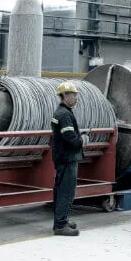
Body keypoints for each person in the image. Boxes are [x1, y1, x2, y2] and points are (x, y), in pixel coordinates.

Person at [50, 81, 83, 236]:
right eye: (73, 95)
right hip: (67, 158)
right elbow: (70, 136)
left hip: (62, 157)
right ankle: (60, 225)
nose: (75, 98)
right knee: (66, 191)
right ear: (64, 96)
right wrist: (82, 140)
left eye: (76, 95)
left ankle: (61, 220)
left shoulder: (62, 112)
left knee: (61, 190)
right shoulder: (64, 114)